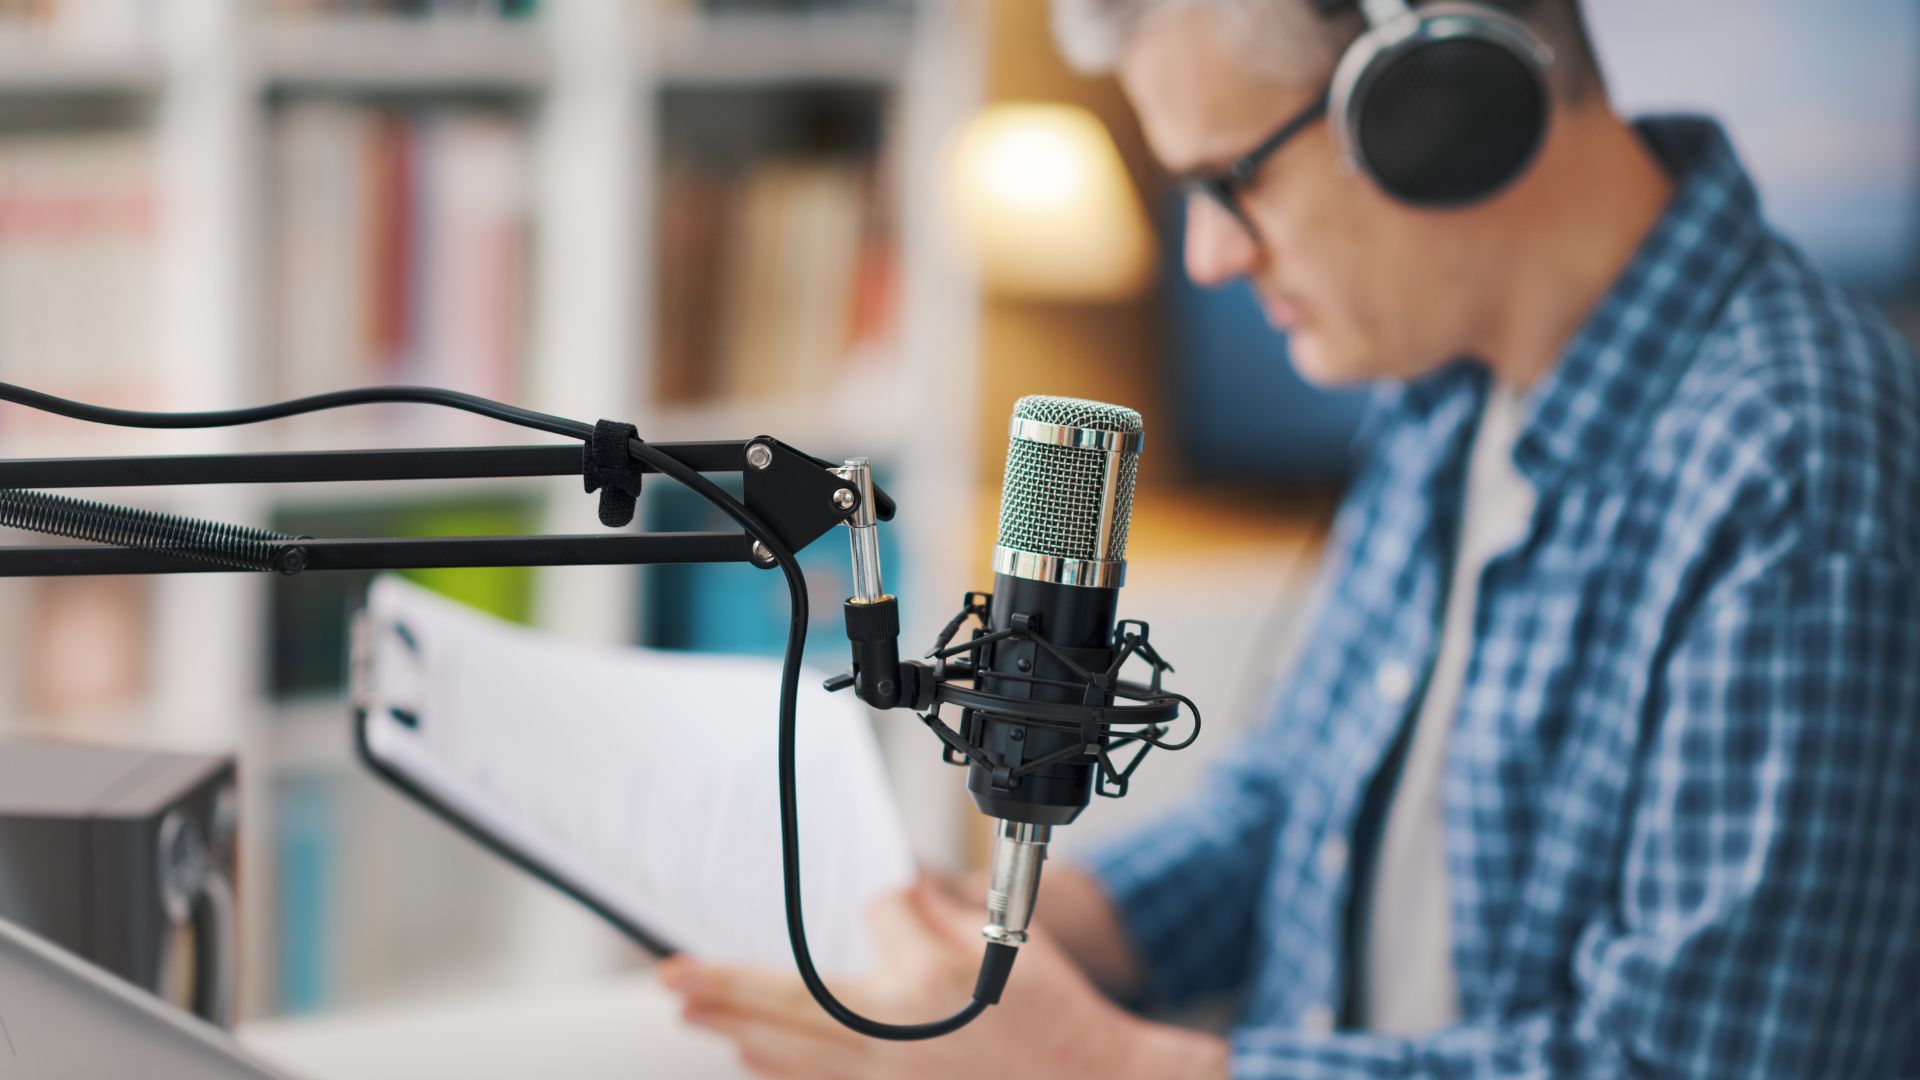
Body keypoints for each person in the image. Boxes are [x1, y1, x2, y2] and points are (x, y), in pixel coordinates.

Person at [661, 1, 1920, 1075]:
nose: (1207, 255)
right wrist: (1044, 933)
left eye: (1231, 177)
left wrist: (1117, 1067)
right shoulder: (1447, 388)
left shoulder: (1800, 474)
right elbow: (1297, 806)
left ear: (1440, 97)